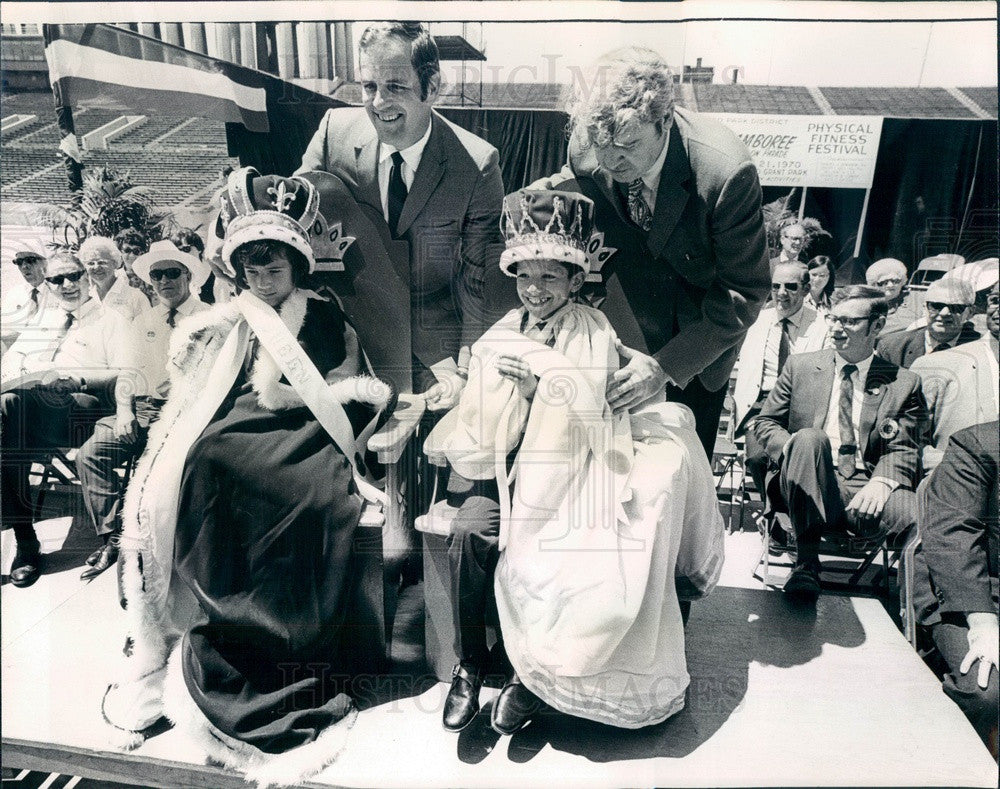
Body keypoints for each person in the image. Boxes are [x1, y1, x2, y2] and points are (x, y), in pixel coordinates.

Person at [103, 171, 394, 785]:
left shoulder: (322, 312)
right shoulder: (228, 317)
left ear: (296, 265)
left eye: (276, 268)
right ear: (239, 269)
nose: (265, 279)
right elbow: (202, 392)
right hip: (235, 427)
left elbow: (344, 382)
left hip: (307, 430)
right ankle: (224, 626)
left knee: (312, 499)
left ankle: (290, 646)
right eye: (254, 268)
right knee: (207, 463)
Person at [427, 190, 724, 735]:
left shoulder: (592, 330)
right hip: (501, 470)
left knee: (567, 560)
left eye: (549, 278)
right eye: (525, 277)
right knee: (470, 534)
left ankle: (532, 675)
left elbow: (594, 414)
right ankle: (469, 664)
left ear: (573, 280)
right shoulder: (500, 332)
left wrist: (544, 391)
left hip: (570, 474)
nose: (535, 291)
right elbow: (476, 419)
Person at [529, 46, 769, 458]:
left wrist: (664, 367)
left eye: (625, 145)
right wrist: (535, 202)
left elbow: (744, 293)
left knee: (678, 485)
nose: (609, 161)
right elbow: (578, 183)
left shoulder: (725, 172)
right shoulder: (592, 146)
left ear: (664, 120)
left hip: (694, 351)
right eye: (599, 144)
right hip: (621, 336)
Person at [296, 21, 504, 404]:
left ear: (432, 87)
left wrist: (467, 365)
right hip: (342, 327)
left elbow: (479, 278)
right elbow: (288, 216)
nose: (378, 103)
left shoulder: (477, 165)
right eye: (369, 86)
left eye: (395, 87)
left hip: (428, 341)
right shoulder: (332, 132)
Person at [753, 285, 924, 602]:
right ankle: (806, 564)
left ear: (876, 326)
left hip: (864, 487)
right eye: (833, 319)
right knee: (809, 438)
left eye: (849, 321)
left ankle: (916, 614)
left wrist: (883, 481)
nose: (836, 328)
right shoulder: (800, 367)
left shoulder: (902, 382)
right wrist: (793, 451)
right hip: (803, 481)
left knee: (919, 517)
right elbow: (765, 423)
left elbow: (904, 445)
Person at [75, 240, 210, 581]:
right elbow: (128, 373)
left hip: (185, 414)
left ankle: (175, 547)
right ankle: (111, 540)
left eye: (172, 273)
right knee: (91, 454)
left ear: (189, 275)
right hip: (142, 409)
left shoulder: (207, 318)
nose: (165, 281)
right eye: (157, 275)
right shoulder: (144, 319)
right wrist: (124, 412)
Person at [1, 253, 128, 588]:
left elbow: (121, 373)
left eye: (73, 276)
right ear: (48, 284)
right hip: (37, 409)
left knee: (9, 410)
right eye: (57, 280)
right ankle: (25, 540)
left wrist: (76, 380)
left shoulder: (111, 319)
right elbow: (14, 357)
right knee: (8, 429)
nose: (66, 285)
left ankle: (25, 539)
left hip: (88, 409)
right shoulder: (44, 319)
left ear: (87, 276)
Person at [911, 421, 999, 757]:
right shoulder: (976, 445)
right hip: (975, 595)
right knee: (987, 692)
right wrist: (984, 625)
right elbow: (953, 539)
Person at [732, 262, 829, 497]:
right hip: (761, 405)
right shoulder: (755, 321)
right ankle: (772, 516)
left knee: (794, 461)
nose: (782, 294)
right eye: (776, 287)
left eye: (791, 287)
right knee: (756, 459)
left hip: (801, 406)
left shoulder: (822, 326)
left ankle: (785, 517)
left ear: (806, 289)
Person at [911, 282, 999, 470]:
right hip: (955, 485)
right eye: (996, 301)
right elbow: (907, 441)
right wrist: (948, 464)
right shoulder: (936, 364)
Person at [876, 278, 979, 368]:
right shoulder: (892, 348)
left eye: (955, 307)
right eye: (936, 306)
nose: (944, 313)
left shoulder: (983, 349)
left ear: (970, 312)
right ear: (924, 308)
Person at [78, 235, 150, 320]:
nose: (96, 267)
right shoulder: (84, 297)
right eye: (91, 263)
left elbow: (148, 330)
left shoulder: (136, 298)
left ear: (115, 263)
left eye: (102, 262)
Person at [1, 243, 49, 349]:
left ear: (44, 263)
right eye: (19, 262)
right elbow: (4, 328)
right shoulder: (14, 293)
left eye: (30, 260)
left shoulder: (57, 293)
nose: (24, 266)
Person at [867, 257, 921, 335]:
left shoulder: (916, 297)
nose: (890, 285)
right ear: (874, 284)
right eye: (884, 282)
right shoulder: (867, 305)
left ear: (902, 281)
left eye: (895, 281)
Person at [113, 227, 155, 303]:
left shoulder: (150, 277)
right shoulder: (114, 277)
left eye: (136, 251)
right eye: (127, 250)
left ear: (142, 253)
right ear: (120, 252)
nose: (132, 255)